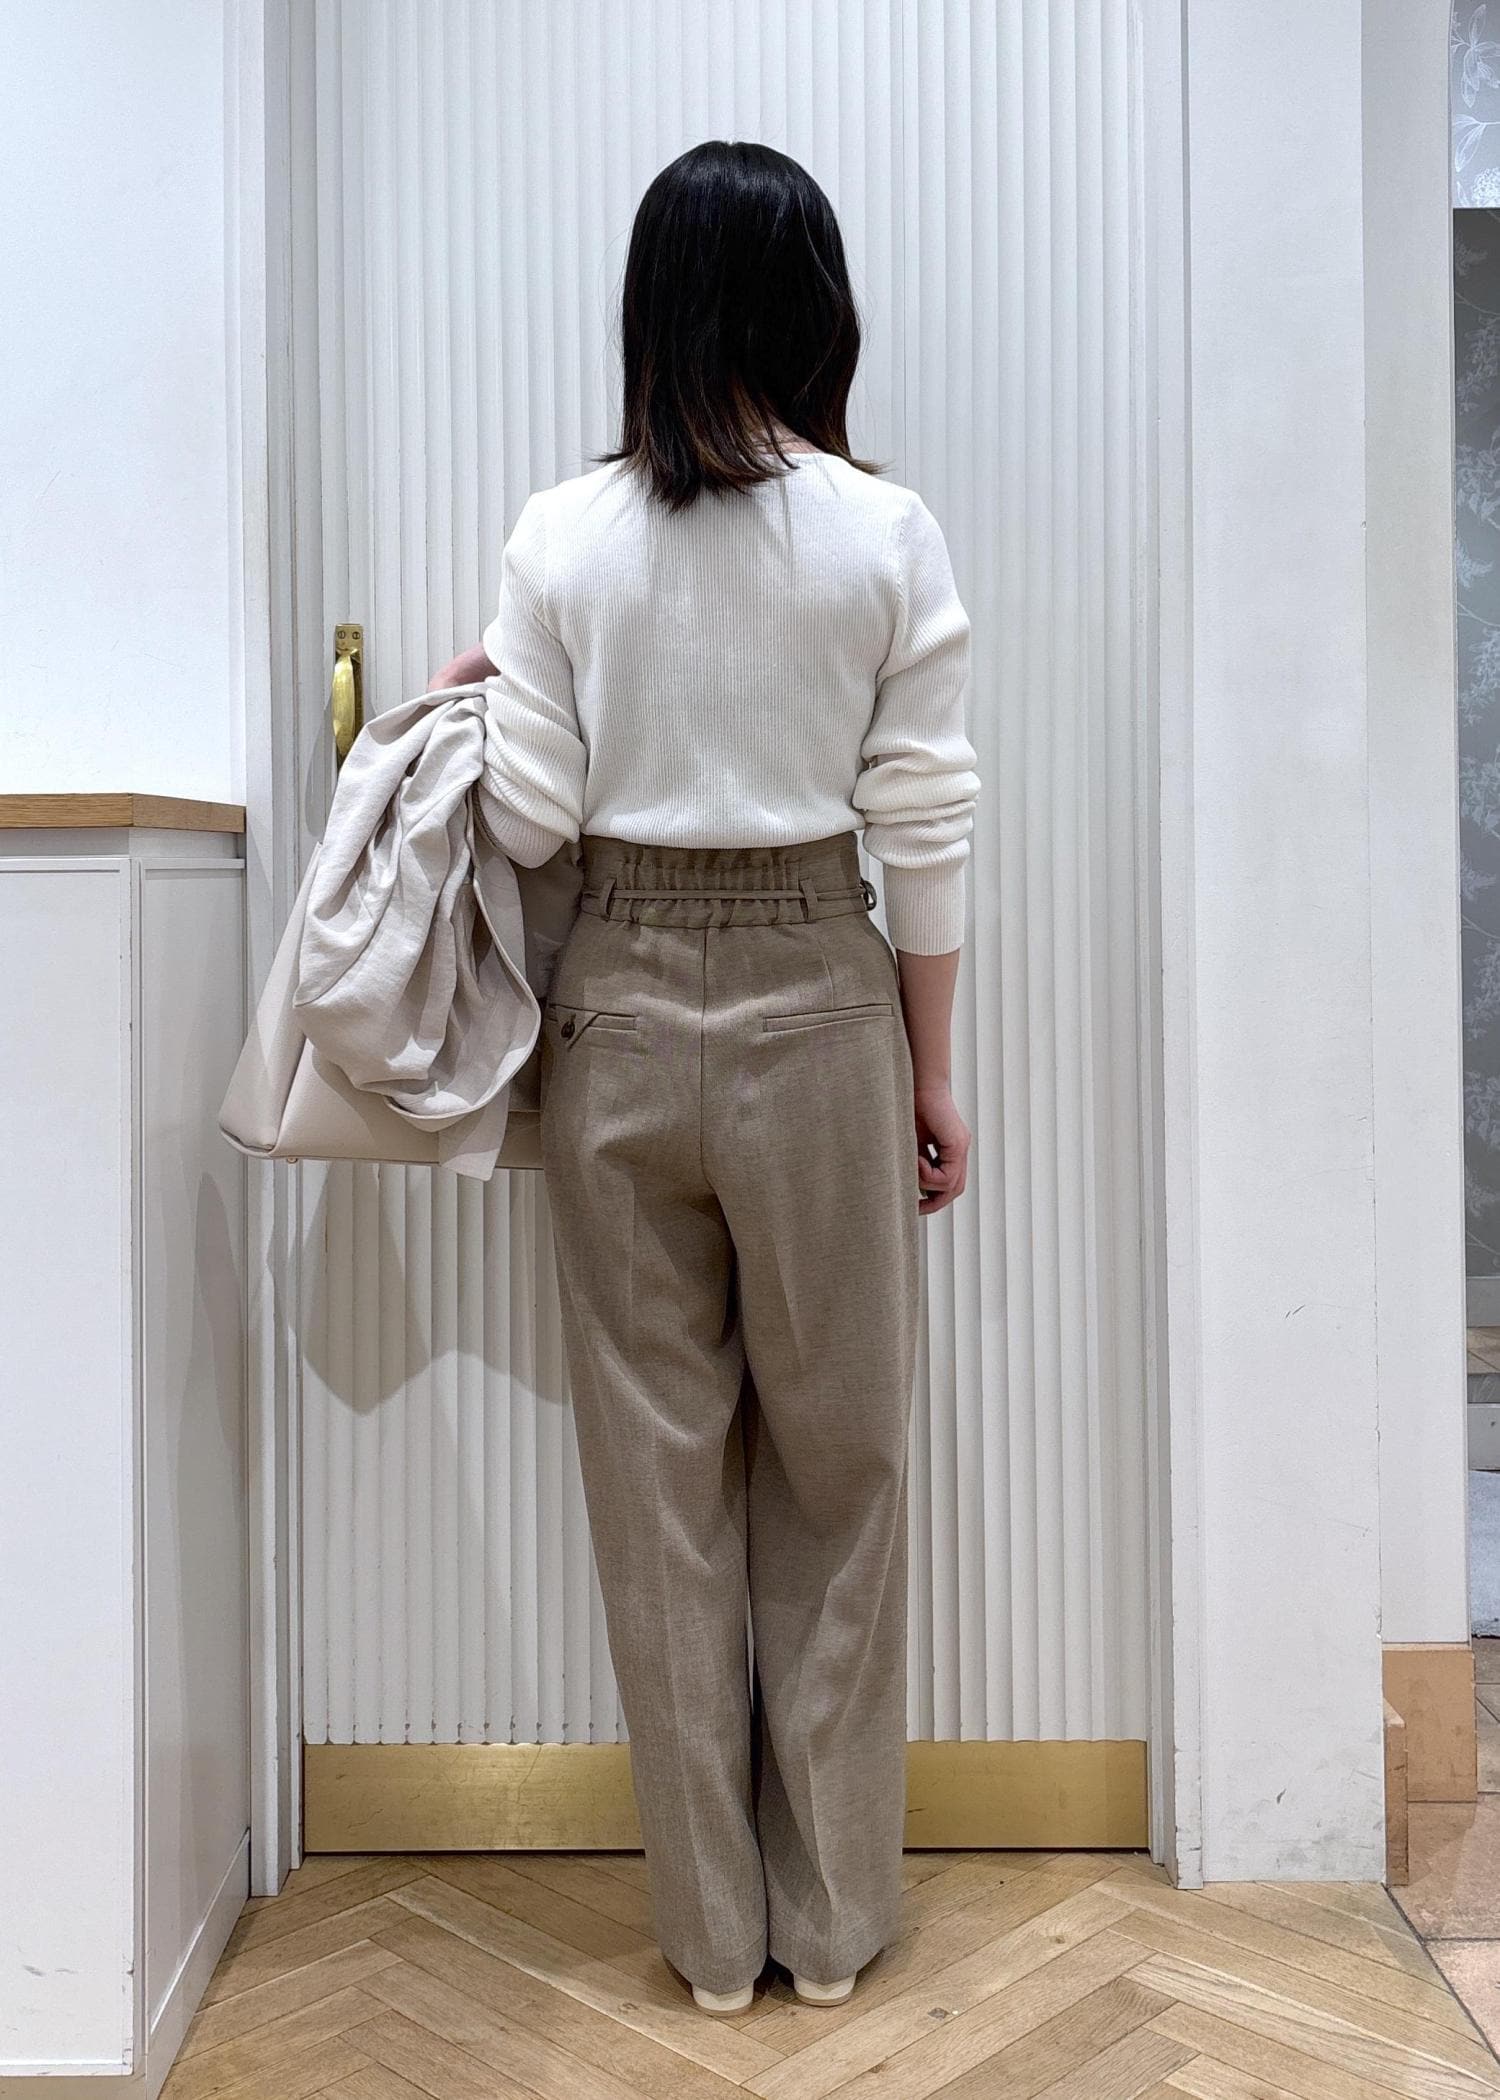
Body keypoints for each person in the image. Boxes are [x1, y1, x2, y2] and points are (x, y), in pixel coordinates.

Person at [428, 138, 980, 2017]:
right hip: (824, 995)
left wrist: (487, 685)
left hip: (622, 1008)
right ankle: (829, 1928)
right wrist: (935, 1074)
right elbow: (925, 824)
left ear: (651, 308)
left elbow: (533, 819)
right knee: (842, 1468)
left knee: (657, 1484)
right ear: (818, 307)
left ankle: (712, 1944)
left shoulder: (561, 536)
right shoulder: (884, 532)